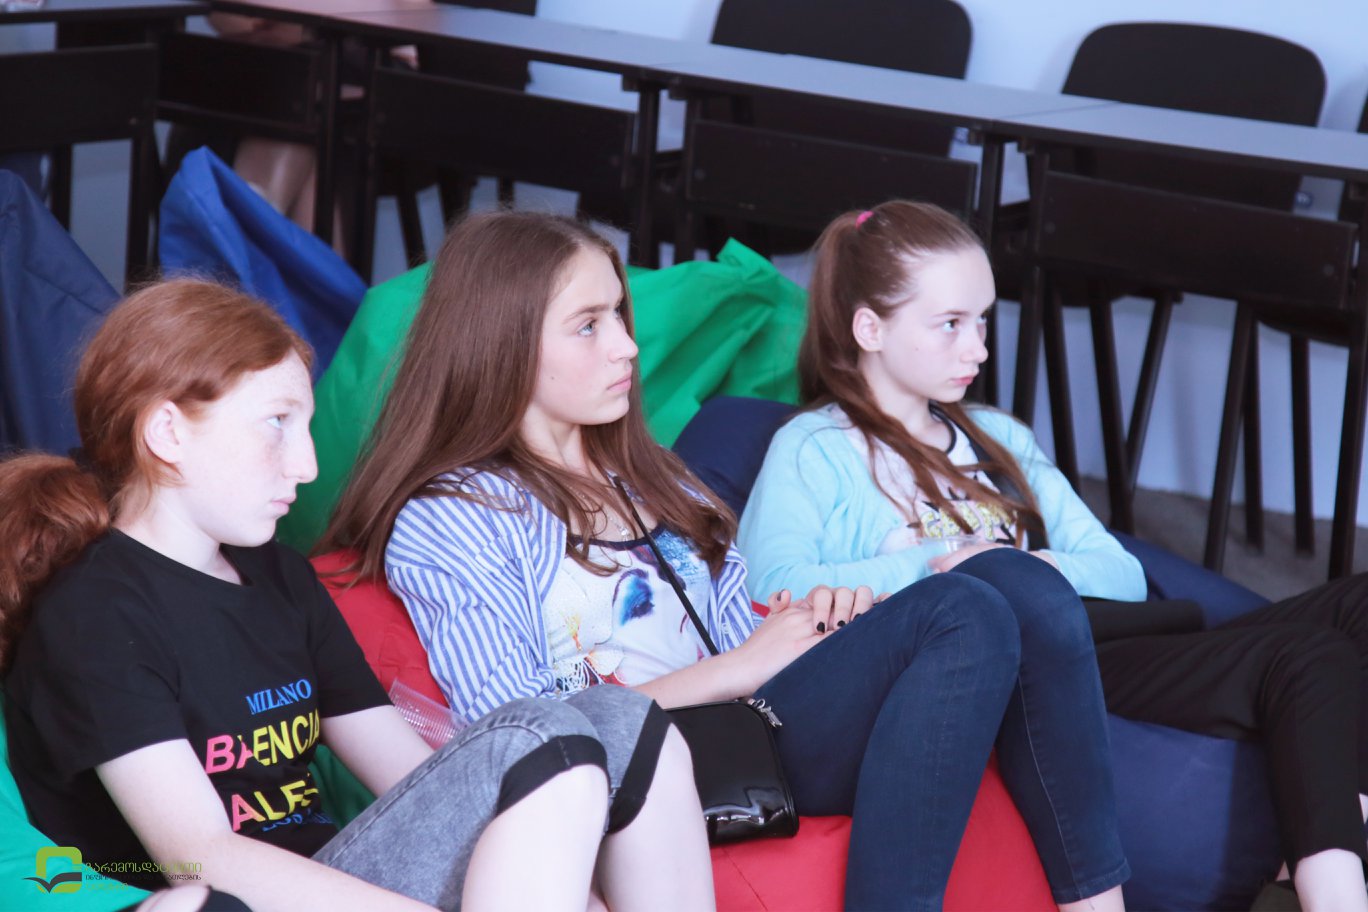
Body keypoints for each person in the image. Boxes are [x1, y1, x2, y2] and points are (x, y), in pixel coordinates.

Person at [321, 210, 1129, 911]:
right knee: (960, 607)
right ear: (501, 342)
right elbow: (516, 733)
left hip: (751, 723)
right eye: (589, 325)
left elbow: (739, 630)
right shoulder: (457, 513)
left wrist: (807, 628)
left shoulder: (655, 477)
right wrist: (737, 669)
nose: (628, 347)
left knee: (993, 592)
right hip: (645, 770)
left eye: (621, 316)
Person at [0, 278, 713, 912]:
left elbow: (416, 779)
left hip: (335, 872)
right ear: (167, 433)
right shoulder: (97, 614)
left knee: (619, 719)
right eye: (277, 424)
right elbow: (200, 857)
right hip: (221, 899)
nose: (308, 465)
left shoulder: (281, 577)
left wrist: (565, 877)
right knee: (540, 736)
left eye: (305, 428)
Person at [737, 199, 1368, 912]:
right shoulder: (816, 449)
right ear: (870, 329)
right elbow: (773, 585)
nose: (978, 349)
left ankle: (1323, 856)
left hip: (1103, 640)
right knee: (1308, 657)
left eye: (983, 321)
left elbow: (1121, 572)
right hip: (1017, 672)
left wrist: (1024, 566)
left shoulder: (997, 435)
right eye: (950, 324)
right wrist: (958, 562)